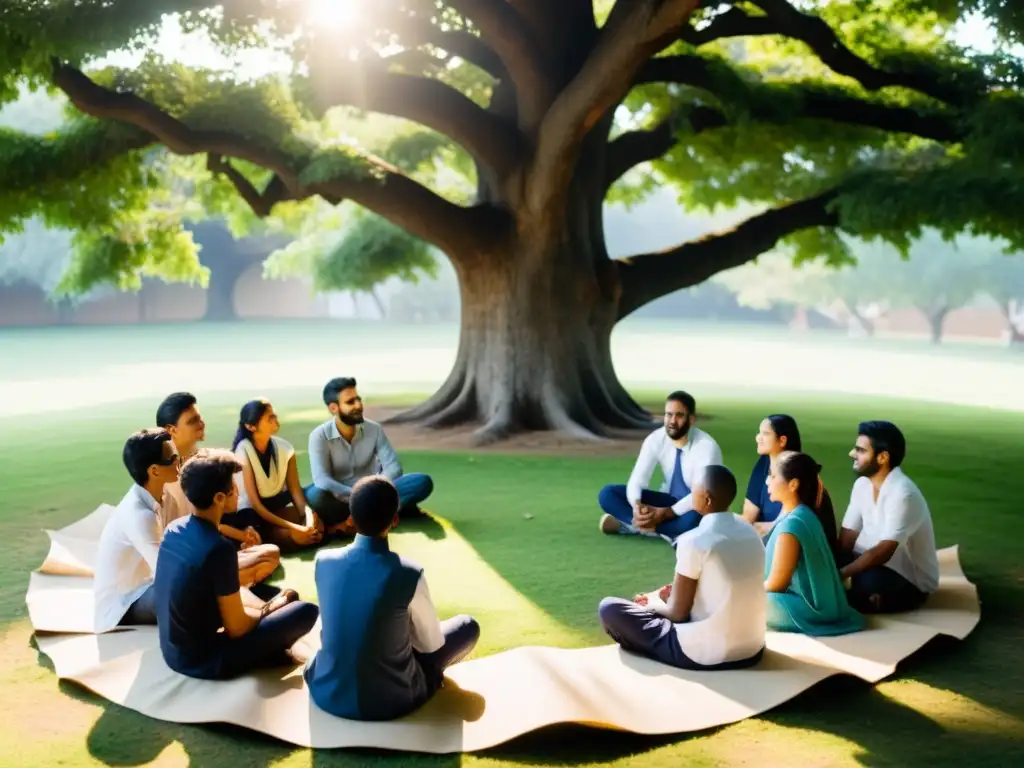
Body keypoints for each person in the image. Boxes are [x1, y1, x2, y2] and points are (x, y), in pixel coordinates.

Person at [305, 475, 480, 721]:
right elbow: (430, 645)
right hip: (393, 700)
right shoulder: (409, 573)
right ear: (395, 520)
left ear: (350, 520)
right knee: (467, 626)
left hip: (327, 693)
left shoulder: (323, 561)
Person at [154, 449, 320, 680]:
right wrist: (268, 609)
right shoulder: (217, 548)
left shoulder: (175, 528)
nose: (237, 491)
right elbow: (238, 628)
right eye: (233, 486)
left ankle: (270, 646)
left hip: (173, 651)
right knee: (304, 611)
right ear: (219, 498)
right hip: (204, 660)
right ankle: (268, 649)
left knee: (271, 593)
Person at [597, 466, 766, 670]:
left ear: (706, 500)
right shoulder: (751, 533)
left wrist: (650, 605)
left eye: (694, 490)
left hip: (708, 653)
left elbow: (678, 614)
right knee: (669, 600)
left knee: (609, 609)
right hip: (752, 648)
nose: (689, 494)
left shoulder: (693, 540)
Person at [156, 391, 281, 587]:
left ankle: (231, 580)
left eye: (200, 417)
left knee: (268, 552)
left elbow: (230, 503)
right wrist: (239, 535)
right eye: (192, 421)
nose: (201, 423)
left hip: (216, 537)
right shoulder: (165, 478)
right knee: (262, 556)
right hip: (191, 554)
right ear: (171, 430)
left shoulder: (208, 458)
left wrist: (246, 530)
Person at [305, 377, 434, 536]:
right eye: (350, 402)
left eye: (358, 399)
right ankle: (382, 514)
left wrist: (372, 489)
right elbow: (322, 479)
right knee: (315, 495)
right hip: (340, 497)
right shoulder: (319, 436)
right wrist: (355, 494)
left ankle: (356, 520)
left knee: (422, 482)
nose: (358, 405)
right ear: (333, 408)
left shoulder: (374, 429)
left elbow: (393, 467)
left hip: (373, 492)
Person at [838, 421, 939, 613]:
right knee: (822, 559)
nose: (852, 454)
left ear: (883, 457)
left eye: (860, 450)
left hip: (909, 578)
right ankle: (864, 597)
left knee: (869, 583)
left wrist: (840, 574)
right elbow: (846, 538)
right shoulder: (862, 485)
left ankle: (874, 599)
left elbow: (885, 551)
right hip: (870, 561)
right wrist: (831, 564)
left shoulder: (903, 494)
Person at [598, 391, 723, 543]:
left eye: (679, 415)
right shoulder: (656, 439)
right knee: (607, 494)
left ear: (691, 420)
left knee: (696, 518)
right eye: (668, 415)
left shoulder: (707, 447)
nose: (672, 421)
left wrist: (667, 513)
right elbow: (637, 479)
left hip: (695, 505)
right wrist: (637, 506)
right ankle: (647, 525)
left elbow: (702, 494)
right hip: (668, 501)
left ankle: (638, 528)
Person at [763, 451, 865, 636]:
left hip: (808, 610)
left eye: (772, 475)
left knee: (742, 599)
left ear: (793, 484)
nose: (767, 481)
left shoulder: (792, 524)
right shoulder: (802, 513)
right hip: (823, 605)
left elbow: (777, 584)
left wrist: (746, 587)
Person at [92, 429, 180, 633]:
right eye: (172, 456)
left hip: (146, 585)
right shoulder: (138, 514)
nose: (178, 459)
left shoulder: (163, 496)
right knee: (190, 594)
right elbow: (168, 574)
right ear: (154, 471)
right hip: (123, 605)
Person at [229, 398, 323, 551]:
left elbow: (296, 493)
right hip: (251, 513)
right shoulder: (243, 450)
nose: (275, 420)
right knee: (273, 533)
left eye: (274, 415)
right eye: (269, 418)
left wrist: (309, 519)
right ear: (251, 426)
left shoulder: (285, 448)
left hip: (275, 506)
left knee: (317, 524)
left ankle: (298, 535)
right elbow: (256, 505)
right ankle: (287, 537)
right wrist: (295, 528)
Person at [742, 415, 802, 537]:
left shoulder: (796, 472)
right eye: (759, 432)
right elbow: (749, 514)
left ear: (782, 441)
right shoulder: (763, 463)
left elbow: (790, 522)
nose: (758, 438)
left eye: (765, 433)